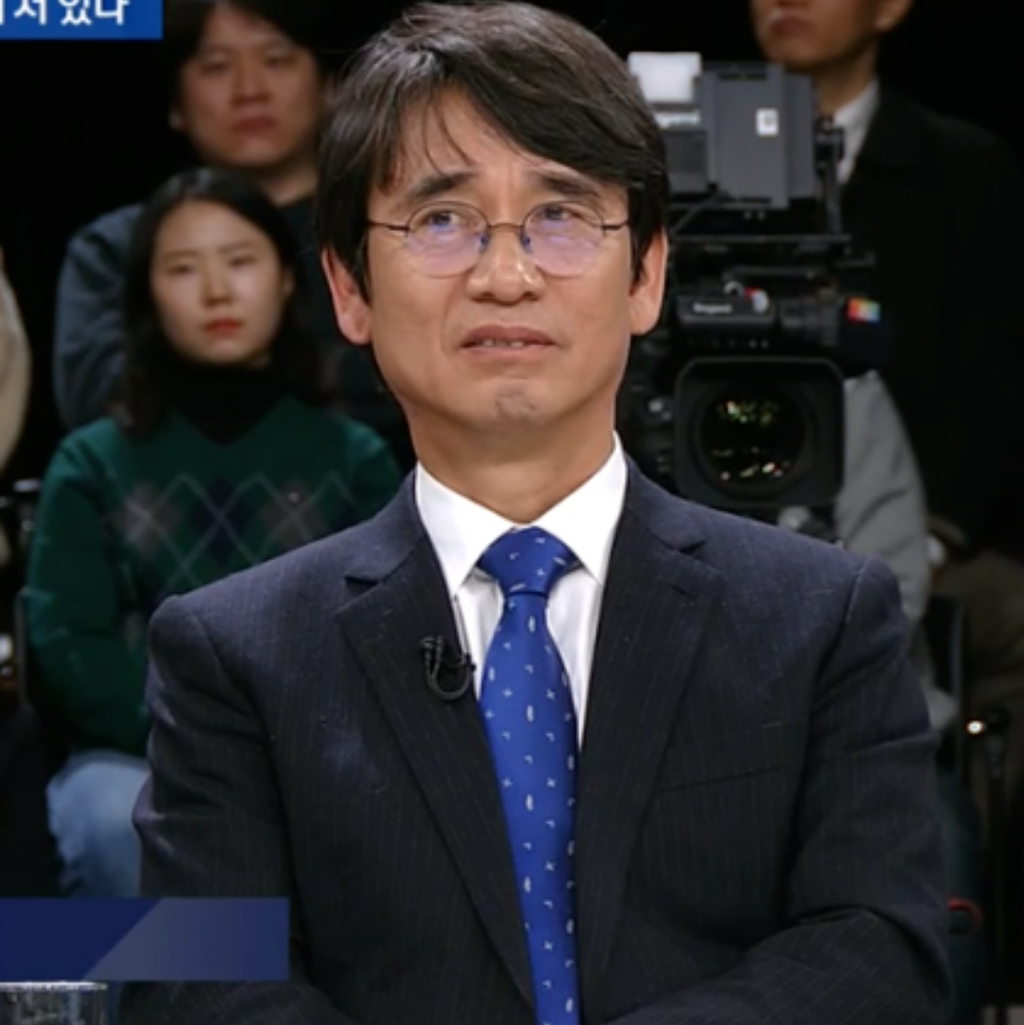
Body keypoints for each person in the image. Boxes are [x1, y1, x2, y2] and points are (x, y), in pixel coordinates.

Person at [123, 5, 951, 1023]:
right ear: (348, 288)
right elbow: (192, 982)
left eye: (561, 216)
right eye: (441, 220)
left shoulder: (824, 618)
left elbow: (879, 943)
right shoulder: (231, 654)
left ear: (646, 273)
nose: (506, 275)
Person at [25, 168, 401, 899]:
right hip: (137, 756)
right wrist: (192, 737)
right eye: (182, 269)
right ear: (147, 295)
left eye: (239, 261)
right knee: (109, 820)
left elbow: (382, 633)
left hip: (312, 750)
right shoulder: (91, 463)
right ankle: (189, 973)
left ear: (288, 280)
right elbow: (70, 641)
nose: (216, 291)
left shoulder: (354, 458)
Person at [752, 0, 1024, 995]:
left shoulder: (965, 168)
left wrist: (930, 531)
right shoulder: (674, 149)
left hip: (902, 509)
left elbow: (993, 374)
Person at [52, 0, 411, 467]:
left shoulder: (391, 231)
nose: (249, 90)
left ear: (330, 85)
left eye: (276, 59)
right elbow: (101, 408)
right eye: (216, 66)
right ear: (176, 103)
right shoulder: (114, 248)